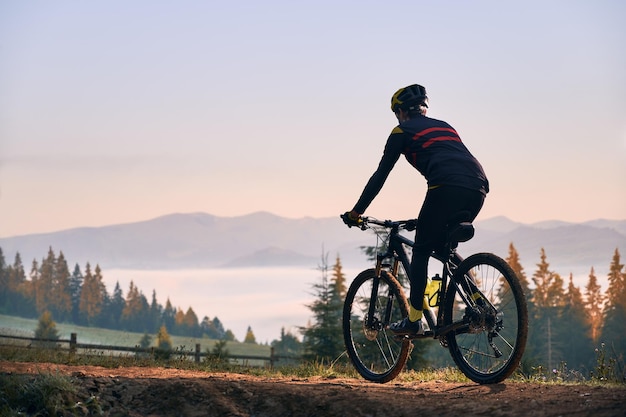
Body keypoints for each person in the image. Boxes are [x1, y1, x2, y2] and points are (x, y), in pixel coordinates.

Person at [342, 84, 489, 336]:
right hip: (478, 187)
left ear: (400, 111)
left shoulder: (401, 131)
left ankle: (413, 320)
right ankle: (479, 304)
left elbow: (380, 175)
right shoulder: (445, 125)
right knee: (446, 249)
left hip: (445, 186)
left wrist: (356, 212)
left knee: (420, 251)